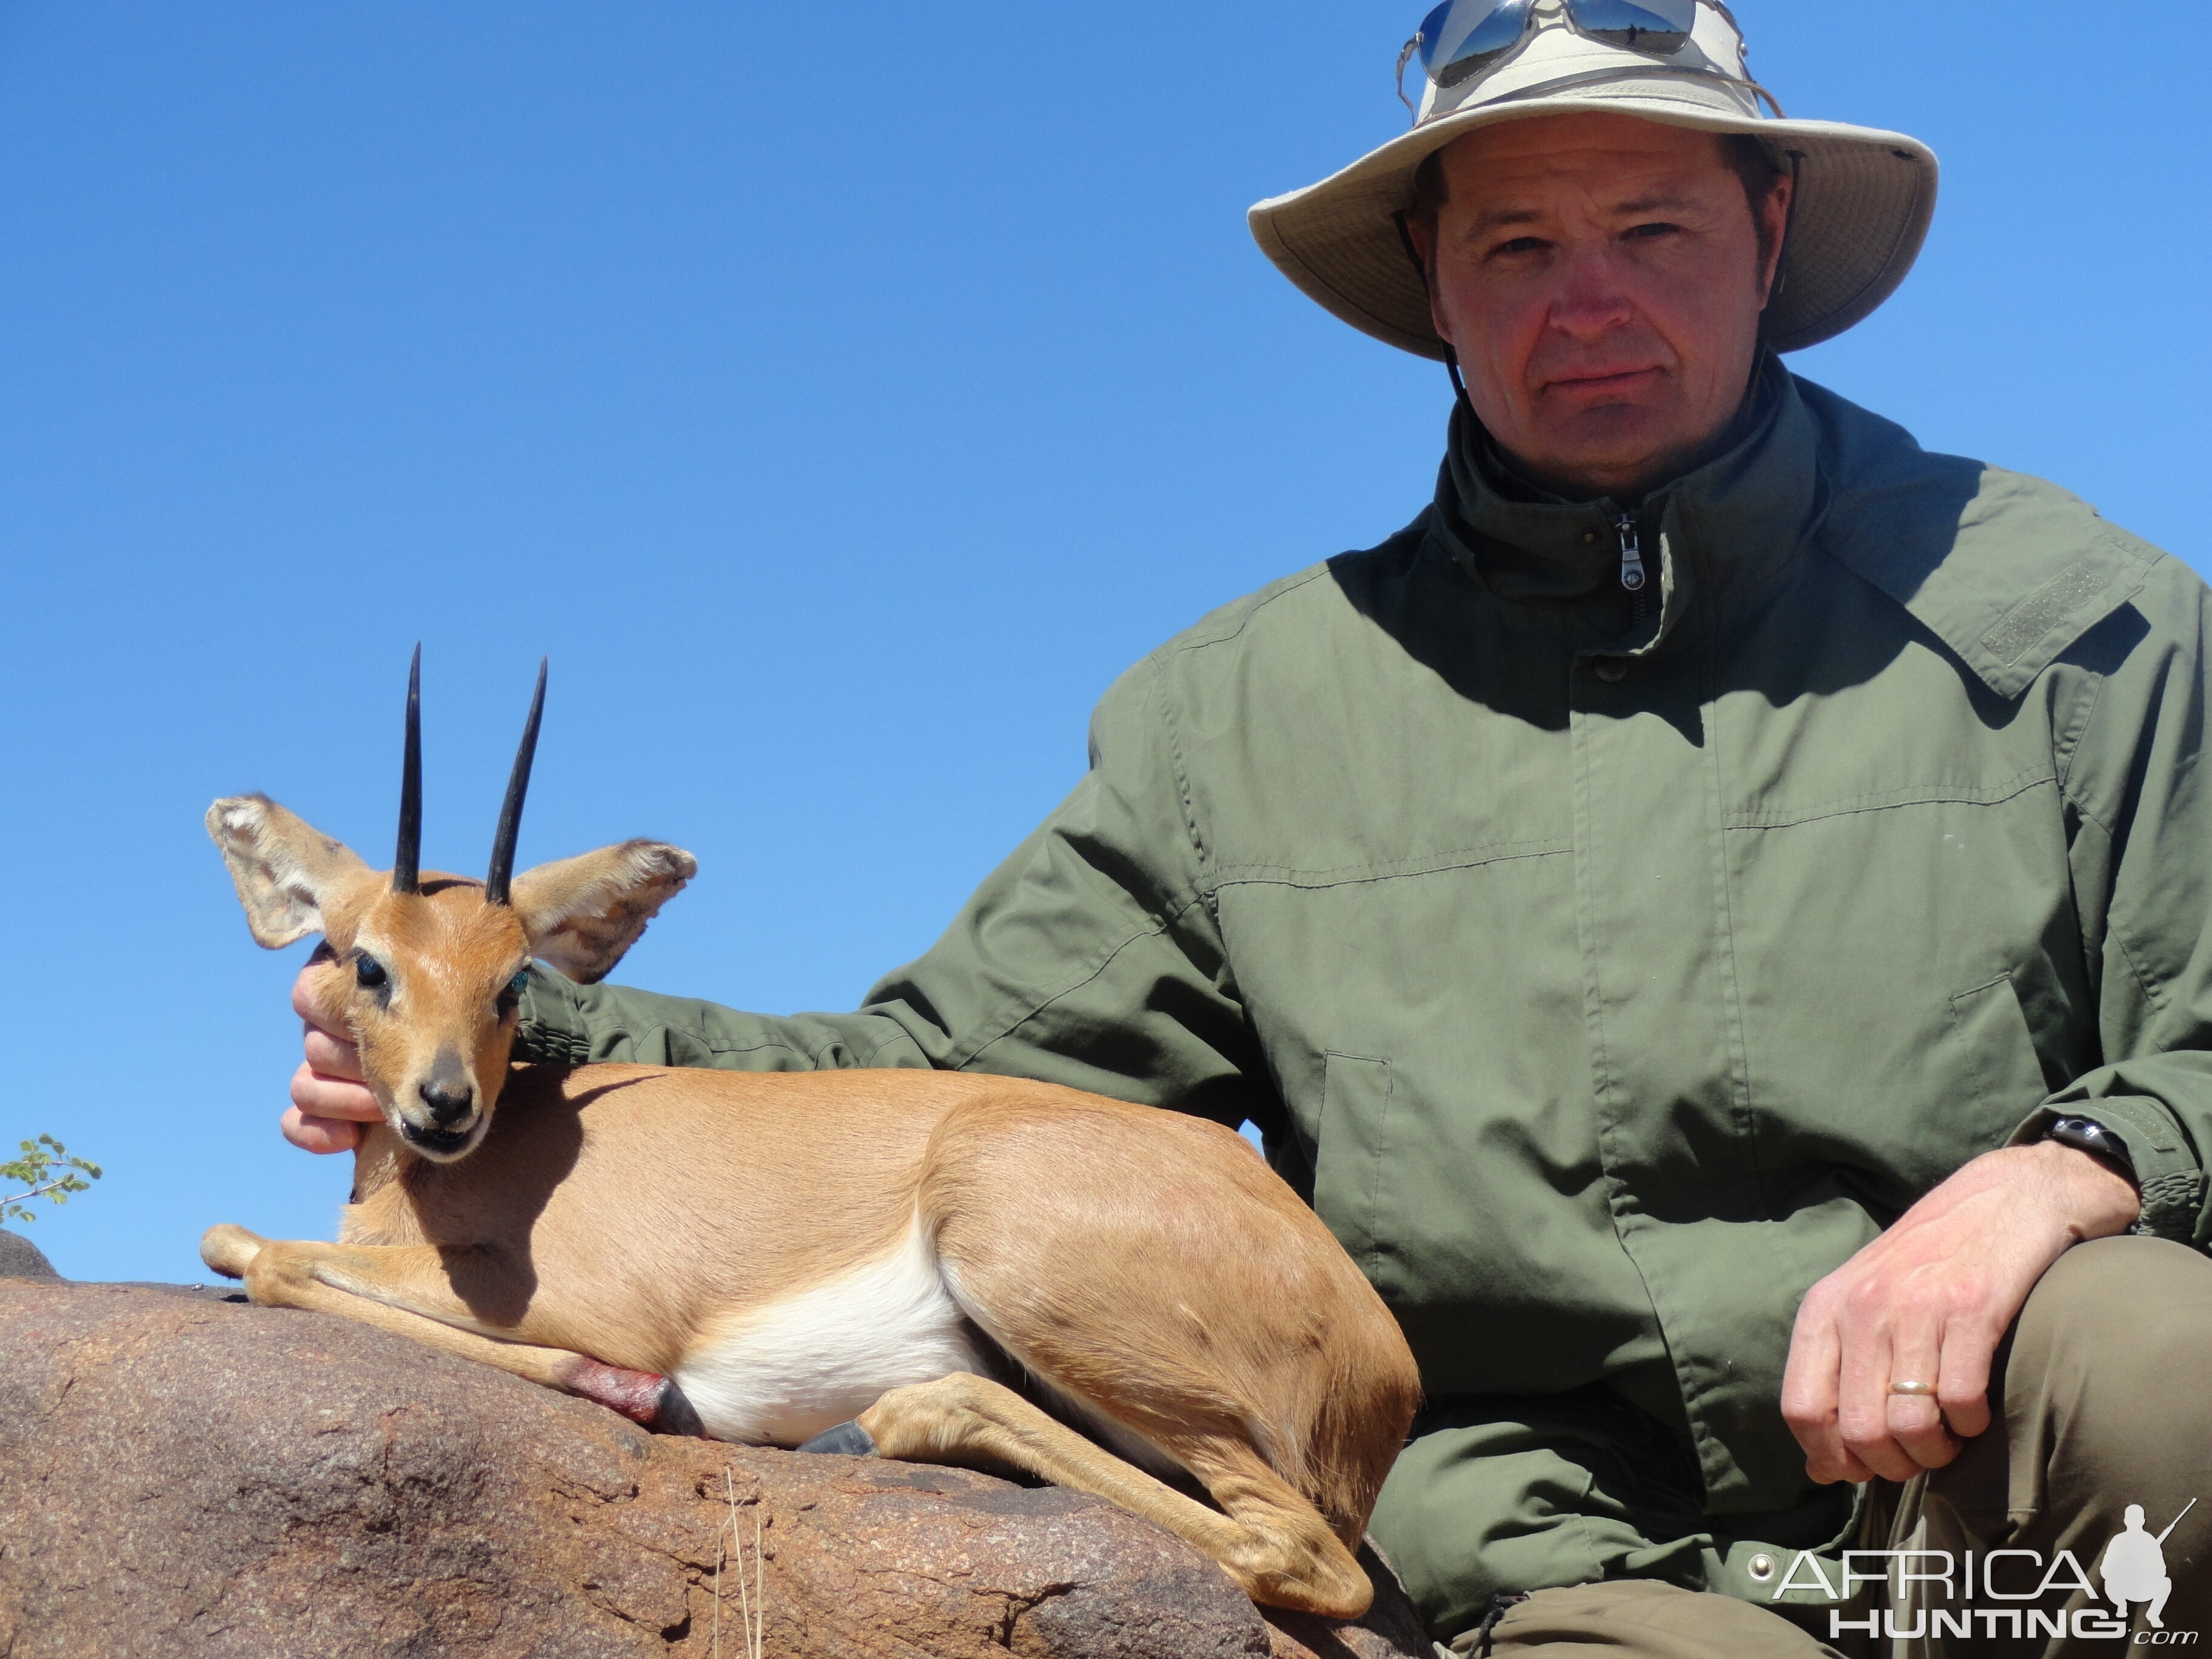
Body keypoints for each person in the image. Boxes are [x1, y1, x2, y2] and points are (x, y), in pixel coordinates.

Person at [279, 3, 2212, 1654]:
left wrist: (2067, 1171)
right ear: (1434, 287)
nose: (1591, 301)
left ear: (1770, 231)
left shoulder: (2069, 618)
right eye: (1521, 247)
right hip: (1556, 1554)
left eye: (1654, 225)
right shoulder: (1244, 717)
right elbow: (936, 1077)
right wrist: (492, 1029)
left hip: (1984, 1506)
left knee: (2162, 1362)